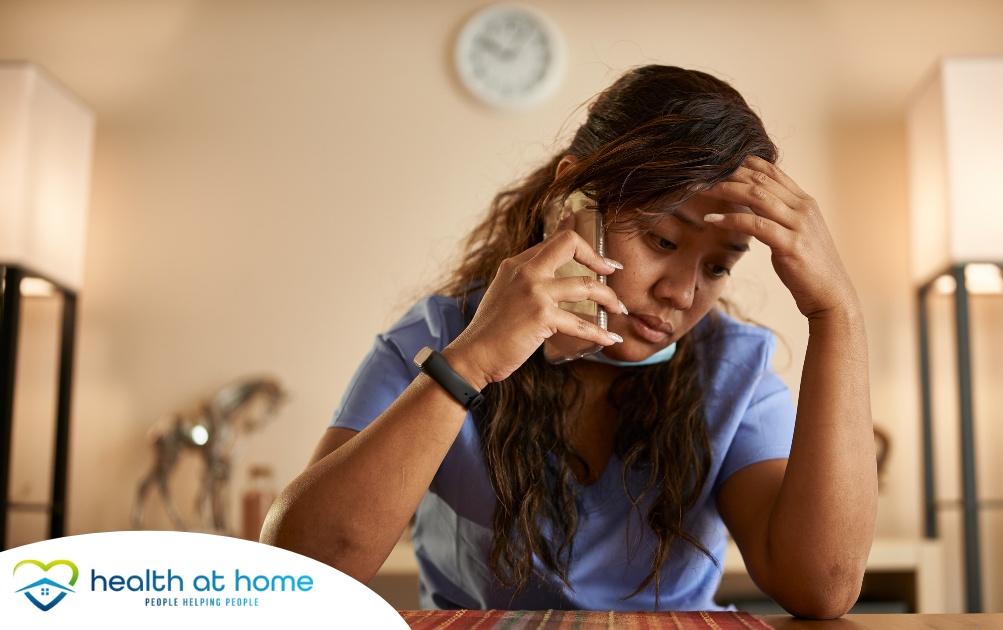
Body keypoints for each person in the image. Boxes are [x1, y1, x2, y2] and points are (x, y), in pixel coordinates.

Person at [261, 65, 877, 619]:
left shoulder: (730, 370)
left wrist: (837, 314)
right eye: (662, 241)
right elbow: (301, 578)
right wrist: (473, 362)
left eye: (718, 267)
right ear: (573, 202)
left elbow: (820, 587)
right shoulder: (437, 338)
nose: (684, 293)